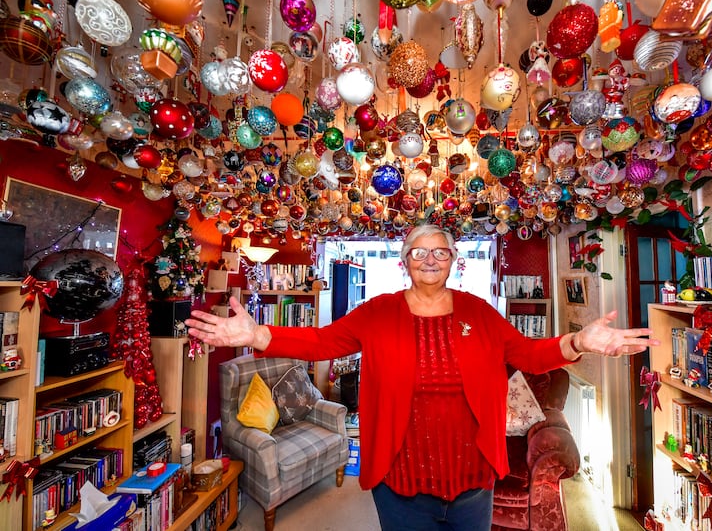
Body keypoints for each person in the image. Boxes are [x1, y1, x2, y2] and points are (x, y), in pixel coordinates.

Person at [186, 224, 659, 531]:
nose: (430, 259)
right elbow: (321, 343)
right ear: (403, 261)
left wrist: (578, 342)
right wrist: (257, 333)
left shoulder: (481, 313)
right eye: (419, 252)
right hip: (400, 478)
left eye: (441, 252)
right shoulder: (377, 313)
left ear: (454, 260)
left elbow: (532, 356)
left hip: (473, 478)